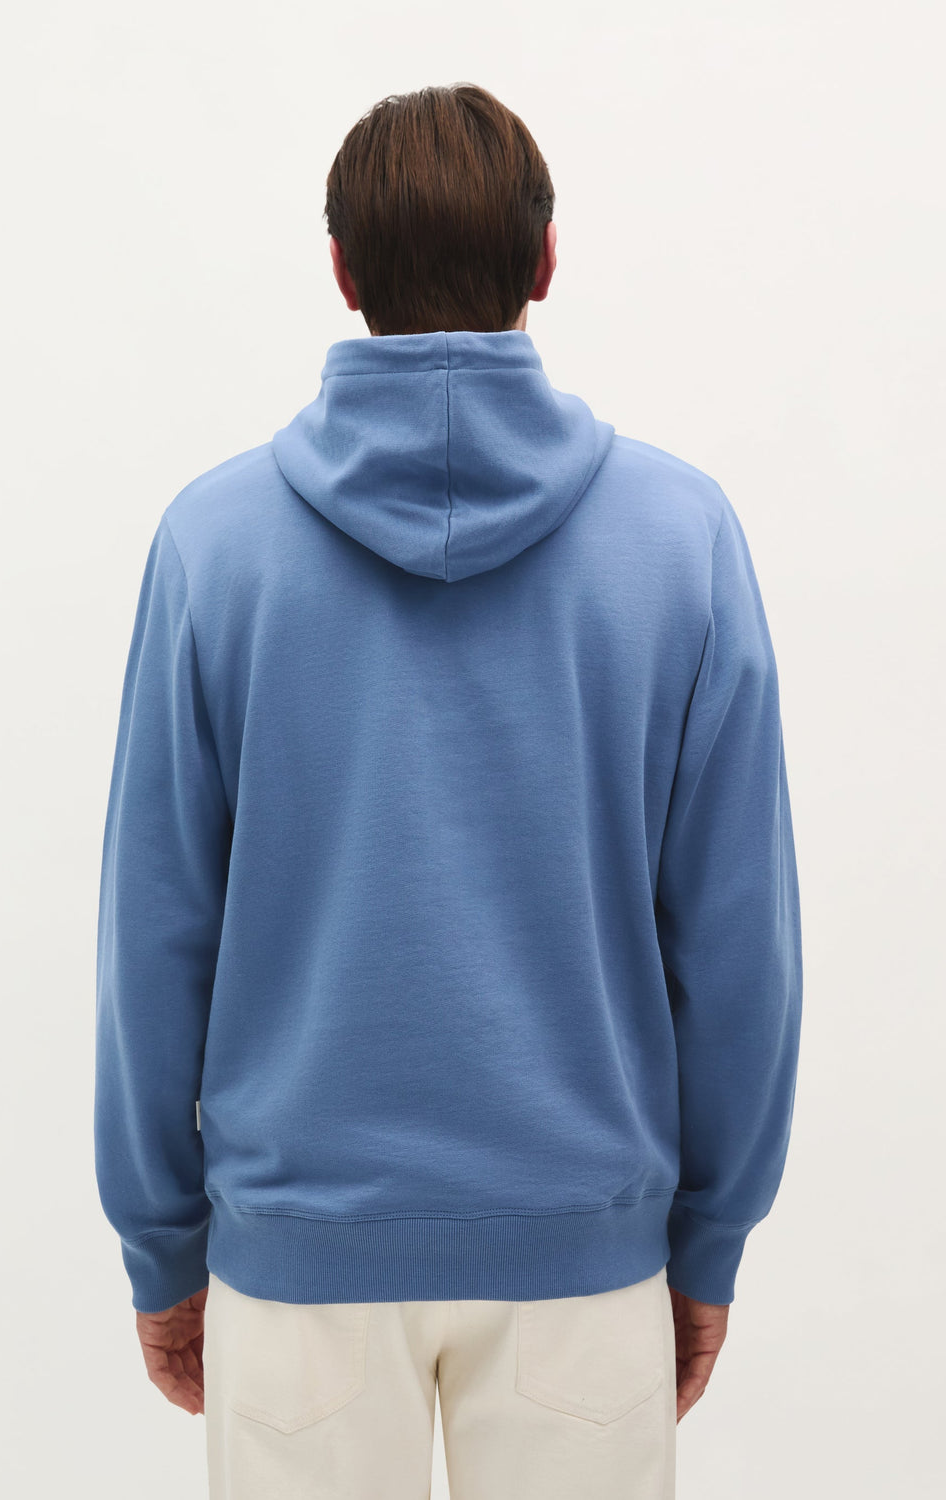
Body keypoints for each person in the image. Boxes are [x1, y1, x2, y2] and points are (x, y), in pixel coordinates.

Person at [94, 82, 803, 1499]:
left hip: (295, 1267)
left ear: (342, 272)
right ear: (547, 261)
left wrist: (162, 1244)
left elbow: (153, 933)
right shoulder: (681, 540)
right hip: (583, 1262)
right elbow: (740, 946)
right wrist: (709, 1236)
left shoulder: (214, 546)